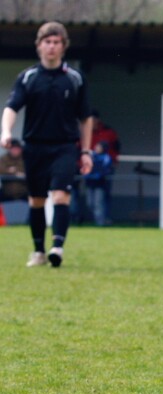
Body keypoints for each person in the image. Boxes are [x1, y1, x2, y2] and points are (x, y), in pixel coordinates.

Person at [1, 21, 93, 267]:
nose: (52, 46)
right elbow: (11, 107)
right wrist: (5, 131)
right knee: (37, 200)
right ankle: (39, 252)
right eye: (47, 42)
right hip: (34, 147)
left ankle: (57, 248)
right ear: (39, 46)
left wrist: (85, 151)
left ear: (64, 46)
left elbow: (85, 118)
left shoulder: (74, 79)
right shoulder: (28, 78)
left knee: (61, 196)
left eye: (56, 42)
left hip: (65, 146)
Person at [84, 140, 114, 225]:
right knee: (89, 203)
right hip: (90, 183)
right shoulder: (91, 156)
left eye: (99, 147)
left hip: (100, 185)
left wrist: (99, 175)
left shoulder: (106, 157)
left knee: (98, 203)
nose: (96, 148)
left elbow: (107, 170)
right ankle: (99, 220)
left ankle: (100, 222)